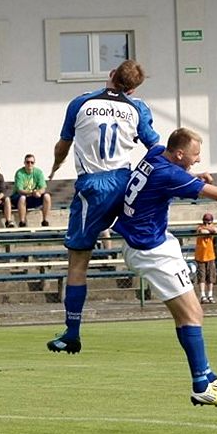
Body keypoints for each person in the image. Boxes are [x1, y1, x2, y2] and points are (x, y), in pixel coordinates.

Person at [113, 128, 217, 406]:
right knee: (192, 314)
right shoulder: (169, 174)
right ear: (179, 153)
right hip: (151, 250)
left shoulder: (158, 153)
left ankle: (207, 376)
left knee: (192, 313)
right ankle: (200, 385)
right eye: (194, 155)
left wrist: (192, 177)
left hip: (154, 242)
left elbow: (162, 183)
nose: (197, 160)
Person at [46, 59, 160, 354]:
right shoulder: (138, 108)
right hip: (126, 182)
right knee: (150, 240)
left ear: (110, 75)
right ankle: (182, 272)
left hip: (94, 187)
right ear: (133, 89)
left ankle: (72, 332)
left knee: (78, 261)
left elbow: (63, 144)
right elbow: (156, 148)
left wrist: (56, 166)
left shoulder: (80, 103)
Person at [11, 154, 52, 227]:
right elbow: (20, 190)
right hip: (19, 197)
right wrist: (32, 193)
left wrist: (38, 192)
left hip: (33, 197)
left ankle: (45, 220)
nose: (30, 164)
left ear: (34, 163)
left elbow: (43, 188)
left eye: (32, 162)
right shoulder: (20, 173)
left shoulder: (38, 172)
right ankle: (22, 222)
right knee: (22, 197)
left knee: (47, 196)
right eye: (27, 162)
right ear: (24, 163)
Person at [194, 212, 217, 304]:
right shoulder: (199, 227)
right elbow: (202, 231)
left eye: (209, 223)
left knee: (211, 277)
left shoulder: (213, 227)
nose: (207, 224)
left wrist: (212, 229)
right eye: (205, 222)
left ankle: (210, 295)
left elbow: (215, 230)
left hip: (210, 255)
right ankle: (203, 296)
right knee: (202, 277)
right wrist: (209, 229)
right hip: (200, 256)